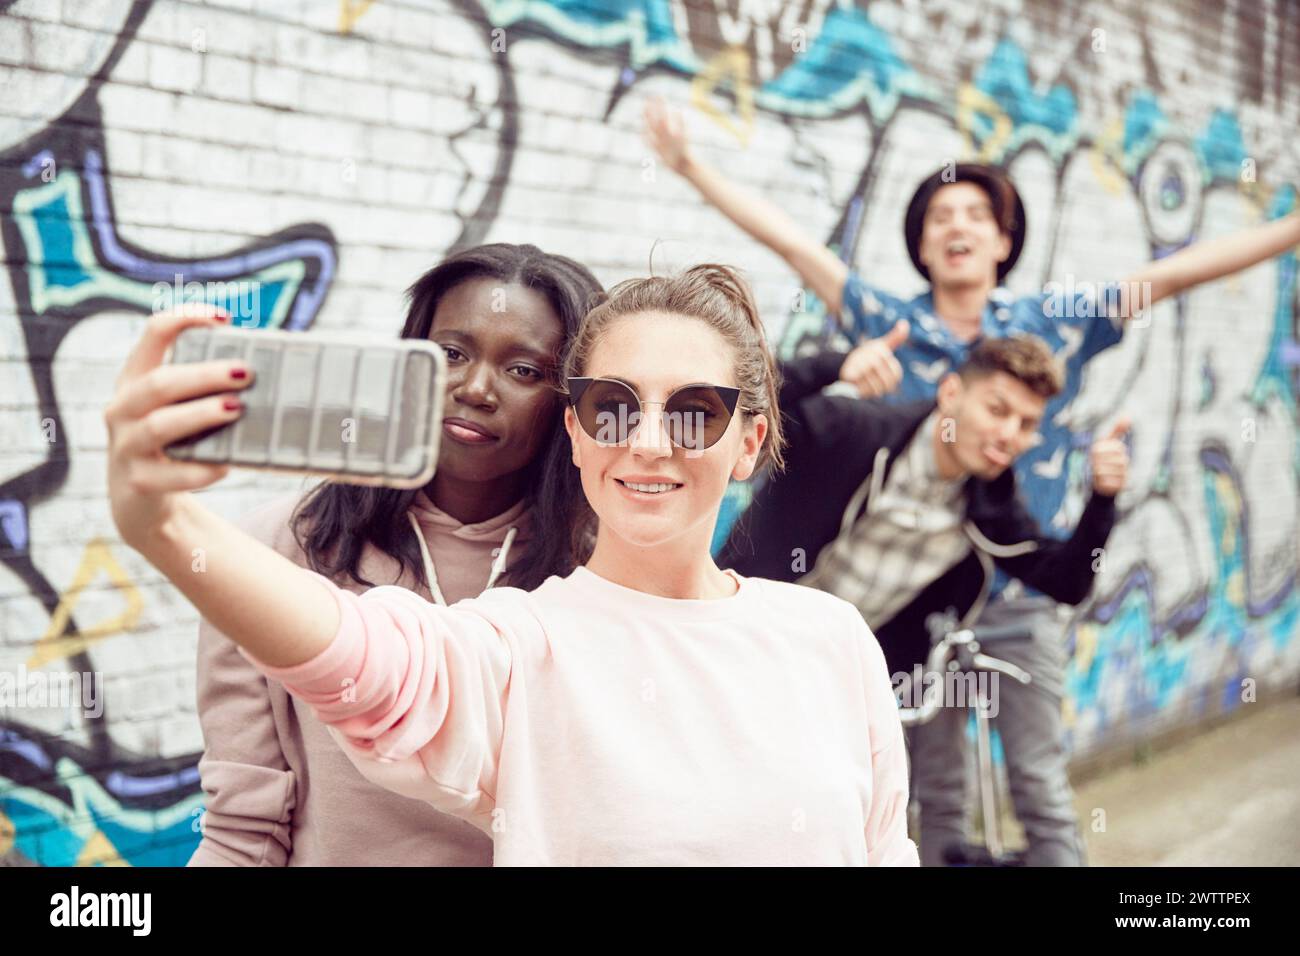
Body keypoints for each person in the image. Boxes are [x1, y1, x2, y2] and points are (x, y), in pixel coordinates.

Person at [646, 96, 1300, 865]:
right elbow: (792, 246)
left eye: (975, 214)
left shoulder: (1054, 322)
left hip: (1015, 590)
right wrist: (689, 163)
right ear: (920, 244)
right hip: (921, 604)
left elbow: (1174, 272)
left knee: (1038, 777)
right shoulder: (888, 322)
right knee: (932, 786)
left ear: (1004, 238)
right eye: (938, 217)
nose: (957, 227)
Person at [106, 265, 920, 866]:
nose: (647, 440)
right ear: (576, 430)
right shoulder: (518, 641)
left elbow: (887, 849)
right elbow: (368, 662)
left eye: (695, 412)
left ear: (747, 441)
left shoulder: (832, 638)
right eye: (614, 406)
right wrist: (165, 526)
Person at [189, 243, 603, 866]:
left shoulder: (598, 577)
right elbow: (240, 836)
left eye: (523, 370)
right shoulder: (276, 555)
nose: (475, 388)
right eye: (451, 354)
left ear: (571, 403)